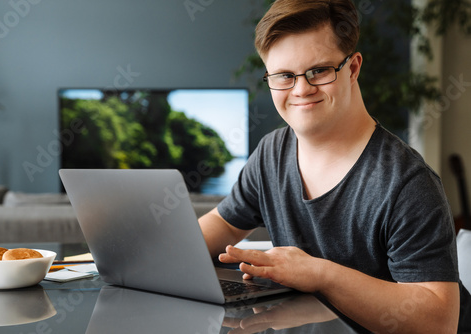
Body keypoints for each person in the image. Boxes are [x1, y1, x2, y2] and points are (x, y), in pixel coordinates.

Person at [198, 0, 462, 332]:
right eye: (284, 76)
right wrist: (144, 252)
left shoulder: (408, 183)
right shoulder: (271, 153)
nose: (301, 89)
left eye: (319, 71)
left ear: (352, 68)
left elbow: (440, 323)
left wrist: (319, 273)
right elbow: (220, 225)